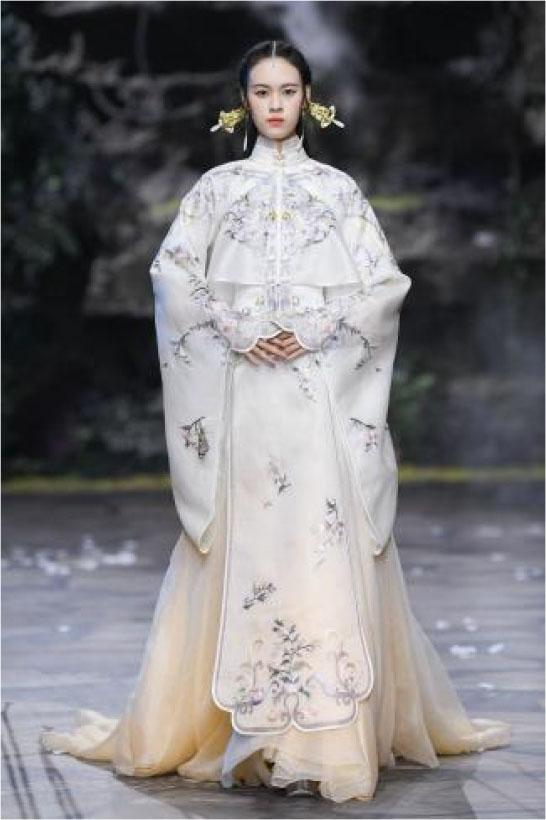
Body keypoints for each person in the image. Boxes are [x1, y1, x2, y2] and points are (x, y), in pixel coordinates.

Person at [40, 39, 511, 804]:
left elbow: (384, 286)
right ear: (243, 103)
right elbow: (172, 276)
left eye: (287, 91)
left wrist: (319, 326)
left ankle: (325, 738)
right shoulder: (217, 191)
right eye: (261, 92)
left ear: (308, 98)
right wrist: (233, 327)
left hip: (318, 400)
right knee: (252, 543)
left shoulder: (338, 192)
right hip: (247, 404)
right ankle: (246, 731)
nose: (275, 105)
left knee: (321, 540)